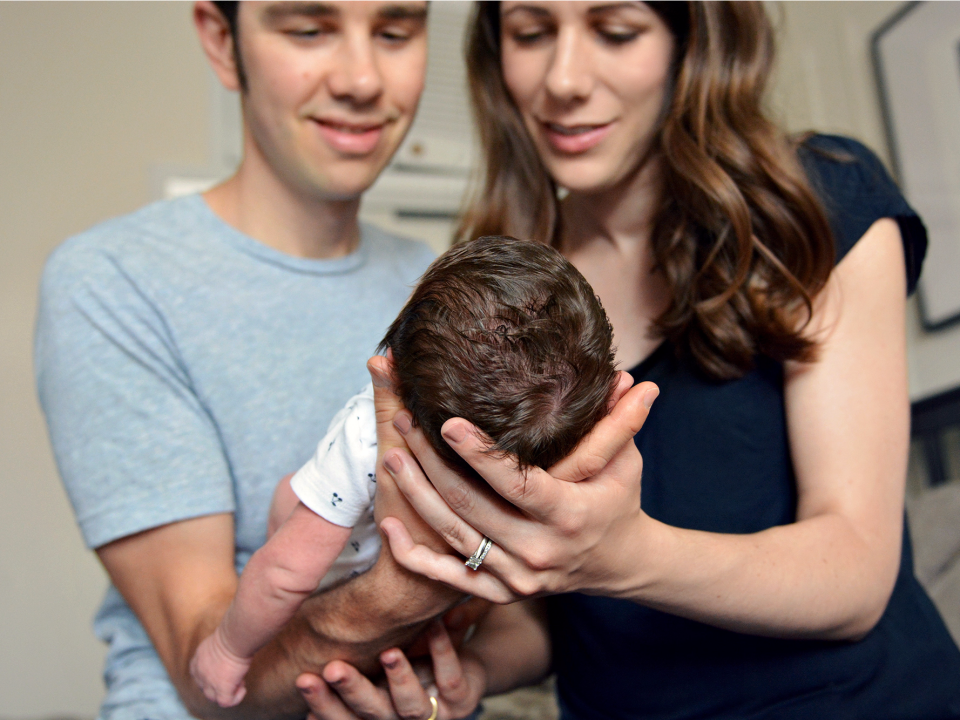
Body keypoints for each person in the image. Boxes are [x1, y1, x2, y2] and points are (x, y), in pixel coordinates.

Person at [311, 1, 960, 718]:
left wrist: (628, 557)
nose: (563, 79)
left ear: (692, 42)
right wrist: (466, 674)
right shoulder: (505, 296)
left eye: (615, 32)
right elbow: (552, 610)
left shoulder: (810, 203)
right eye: (531, 34)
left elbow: (856, 577)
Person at [34, 1, 496, 718]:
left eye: (395, 32)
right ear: (223, 43)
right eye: (308, 28)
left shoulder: (445, 291)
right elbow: (209, 673)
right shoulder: (114, 280)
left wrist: (454, 683)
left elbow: (522, 622)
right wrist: (415, 594)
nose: (362, 78)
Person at [189, 235, 619, 708]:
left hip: (334, 585)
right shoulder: (557, 455)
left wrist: (228, 648)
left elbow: (285, 574)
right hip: (431, 617)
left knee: (287, 499)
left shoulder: (366, 433)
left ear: (393, 366)